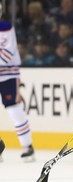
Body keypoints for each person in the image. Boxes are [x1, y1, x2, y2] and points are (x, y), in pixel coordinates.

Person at [0, 3, 35, 162]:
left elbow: (8, 53)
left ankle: (27, 146)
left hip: (7, 75)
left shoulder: (5, 27)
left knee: (14, 109)